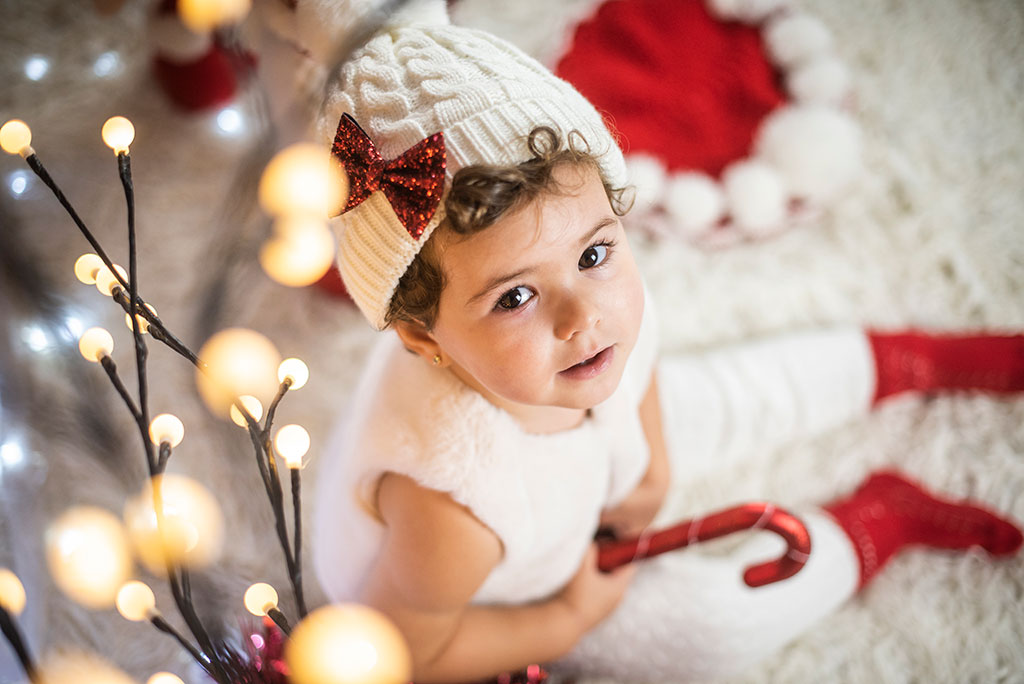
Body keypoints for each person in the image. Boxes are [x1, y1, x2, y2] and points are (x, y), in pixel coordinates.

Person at [310, 3, 1023, 681]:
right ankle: (879, 520)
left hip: (587, 454)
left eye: (593, 254)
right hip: (522, 585)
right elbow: (405, 651)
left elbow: (641, 363)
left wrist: (650, 470)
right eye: (515, 297)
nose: (582, 317)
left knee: (726, 396)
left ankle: (911, 360)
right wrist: (564, 619)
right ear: (424, 339)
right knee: (706, 633)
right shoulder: (450, 509)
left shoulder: (592, 323)